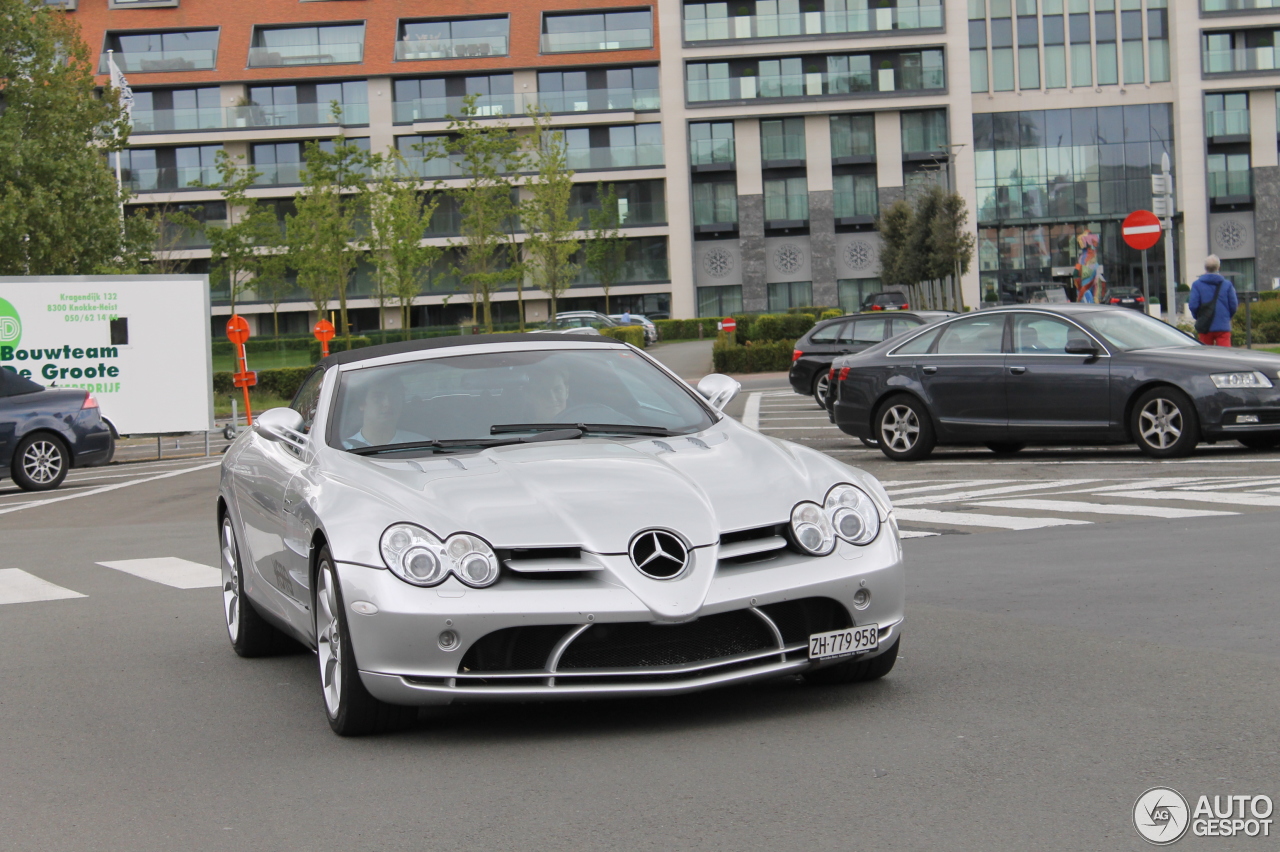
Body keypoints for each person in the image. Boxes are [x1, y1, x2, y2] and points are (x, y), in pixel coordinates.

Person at [342, 376, 427, 449]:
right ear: (361, 403)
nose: (388, 404)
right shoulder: (342, 451)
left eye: (394, 396)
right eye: (378, 397)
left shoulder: (422, 445)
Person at [1188, 255, 1238, 347]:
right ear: (1218, 267)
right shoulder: (1227, 285)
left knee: (1206, 356)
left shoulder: (1197, 285)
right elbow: (1233, 305)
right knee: (1225, 356)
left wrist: (1200, 317)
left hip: (1205, 325)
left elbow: (1193, 305)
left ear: (1205, 268)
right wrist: (1226, 317)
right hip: (1223, 326)